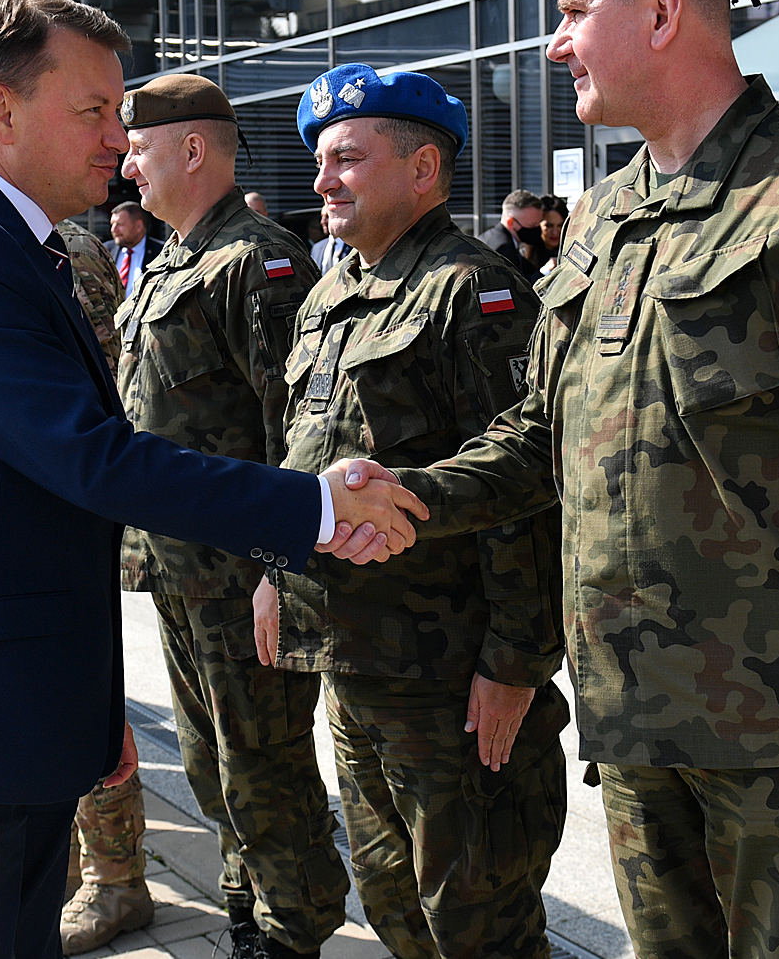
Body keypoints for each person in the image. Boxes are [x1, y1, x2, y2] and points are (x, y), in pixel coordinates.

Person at [334, 0, 779, 958]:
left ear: (663, 12)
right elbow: (542, 435)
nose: (554, 45)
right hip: (636, 732)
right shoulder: (603, 217)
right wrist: (408, 496)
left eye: (573, 12)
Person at [0, 0, 425, 959]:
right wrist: (314, 508)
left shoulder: (4, 244)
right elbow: (91, 458)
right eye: (92, 111)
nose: (115, 139)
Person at [260, 64, 567, 958]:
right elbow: (302, 450)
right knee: (394, 901)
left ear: (423, 169)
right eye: (321, 160)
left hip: (446, 679)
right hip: (352, 660)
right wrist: (276, 571)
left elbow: (527, 484)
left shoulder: (474, 290)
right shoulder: (330, 293)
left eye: (347, 159)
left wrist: (514, 661)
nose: (322, 180)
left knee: (478, 918)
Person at [111, 74, 337, 958]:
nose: (128, 166)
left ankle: (293, 930)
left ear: (194, 148)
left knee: (263, 765)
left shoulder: (258, 262)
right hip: (179, 568)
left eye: (140, 149)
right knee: (211, 762)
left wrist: (281, 572)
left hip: (243, 578)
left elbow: (295, 432)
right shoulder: (172, 258)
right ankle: (249, 908)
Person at [476, 189, 544, 275]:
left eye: (539, 223)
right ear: (511, 222)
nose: (537, 229)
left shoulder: (488, 236)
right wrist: (545, 271)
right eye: (532, 225)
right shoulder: (504, 248)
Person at [110, 200, 166, 301]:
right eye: (112, 224)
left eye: (120, 224)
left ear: (138, 226)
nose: (113, 229)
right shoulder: (106, 250)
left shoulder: (161, 252)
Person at [310, 203, 349, 272]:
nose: (322, 221)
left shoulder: (354, 246)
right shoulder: (317, 248)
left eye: (327, 216)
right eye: (322, 217)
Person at [536, 197, 566, 276]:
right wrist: (545, 271)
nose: (555, 232)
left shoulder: (570, 251)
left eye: (560, 225)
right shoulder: (525, 253)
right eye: (549, 226)